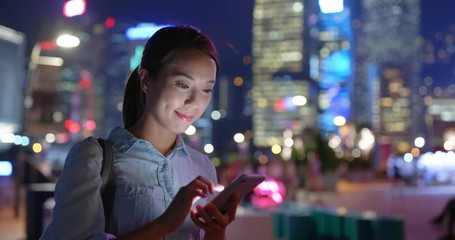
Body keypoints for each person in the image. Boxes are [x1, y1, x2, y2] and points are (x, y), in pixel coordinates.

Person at [40, 25, 240, 240]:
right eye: (182, 85)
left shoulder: (202, 167)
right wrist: (164, 224)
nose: (194, 102)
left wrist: (216, 232)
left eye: (206, 89)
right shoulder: (94, 158)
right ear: (146, 80)